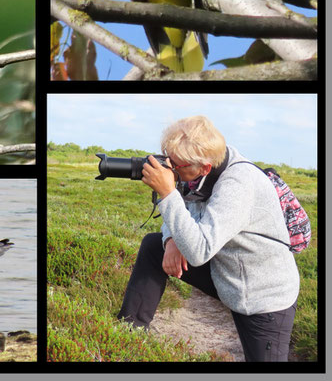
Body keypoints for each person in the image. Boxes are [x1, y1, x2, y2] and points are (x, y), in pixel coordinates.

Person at [117, 115, 299, 362]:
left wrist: (167, 193)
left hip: (263, 297)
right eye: (167, 158)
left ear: (203, 167)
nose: (169, 169)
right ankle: (128, 336)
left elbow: (199, 250)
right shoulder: (204, 169)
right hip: (226, 273)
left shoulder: (237, 184)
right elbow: (186, 212)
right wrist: (170, 241)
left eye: (175, 165)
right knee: (153, 246)